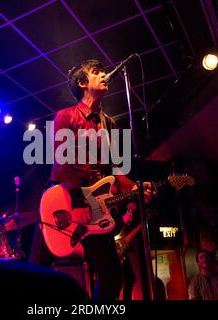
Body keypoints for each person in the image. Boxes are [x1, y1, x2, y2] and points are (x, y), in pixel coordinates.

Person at [49, 59, 152, 300]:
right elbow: (61, 163)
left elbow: (114, 170)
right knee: (107, 277)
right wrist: (77, 200)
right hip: (72, 203)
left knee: (115, 278)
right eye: (97, 72)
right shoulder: (66, 117)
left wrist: (135, 188)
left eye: (104, 71)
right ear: (83, 83)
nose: (105, 75)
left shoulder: (109, 124)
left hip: (99, 211)